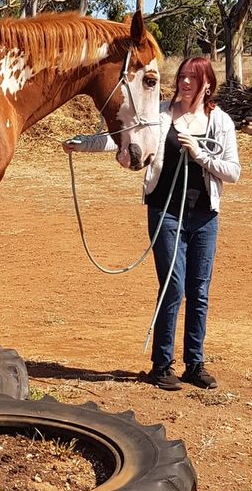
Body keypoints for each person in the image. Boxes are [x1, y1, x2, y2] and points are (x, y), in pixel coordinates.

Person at [64, 55, 240, 390]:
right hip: (165, 212)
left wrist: (200, 154)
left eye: (193, 77)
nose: (185, 83)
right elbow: (121, 137)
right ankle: (161, 365)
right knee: (173, 286)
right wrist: (83, 144)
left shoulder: (221, 122)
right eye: (183, 76)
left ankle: (195, 364)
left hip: (204, 217)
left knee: (198, 291)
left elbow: (233, 172)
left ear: (207, 83)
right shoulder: (159, 114)